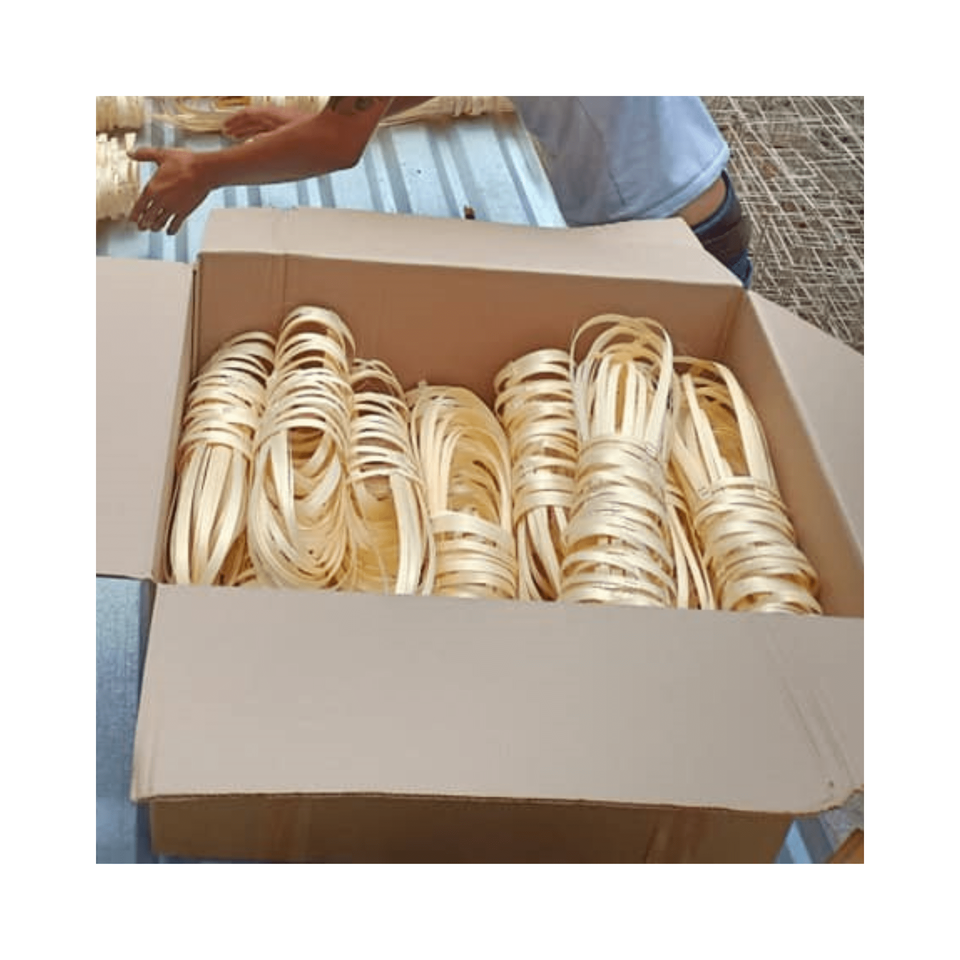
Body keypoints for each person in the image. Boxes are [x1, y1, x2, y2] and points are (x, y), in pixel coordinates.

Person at [129, 96, 753, 285]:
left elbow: (337, 145)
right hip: (693, 210)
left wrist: (206, 172)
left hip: (669, 247)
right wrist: (337, 118)